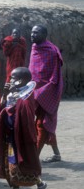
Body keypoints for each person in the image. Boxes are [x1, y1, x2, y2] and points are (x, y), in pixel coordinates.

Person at [0, 67, 47, 189]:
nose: (10, 80)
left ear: (22, 80)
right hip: (10, 136)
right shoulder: (11, 93)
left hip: (21, 137)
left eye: (13, 78)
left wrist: (11, 105)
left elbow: (25, 114)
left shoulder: (27, 96)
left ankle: (40, 183)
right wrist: (5, 96)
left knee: (23, 164)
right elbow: (1, 110)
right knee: (10, 165)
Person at [29, 24, 63, 163]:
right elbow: (33, 71)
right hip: (33, 90)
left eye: (36, 33)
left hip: (47, 92)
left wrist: (43, 92)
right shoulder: (34, 48)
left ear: (44, 35)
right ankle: (57, 154)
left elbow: (55, 77)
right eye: (31, 32)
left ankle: (34, 157)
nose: (32, 35)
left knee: (42, 124)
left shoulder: (51, 51)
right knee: (46, 122)